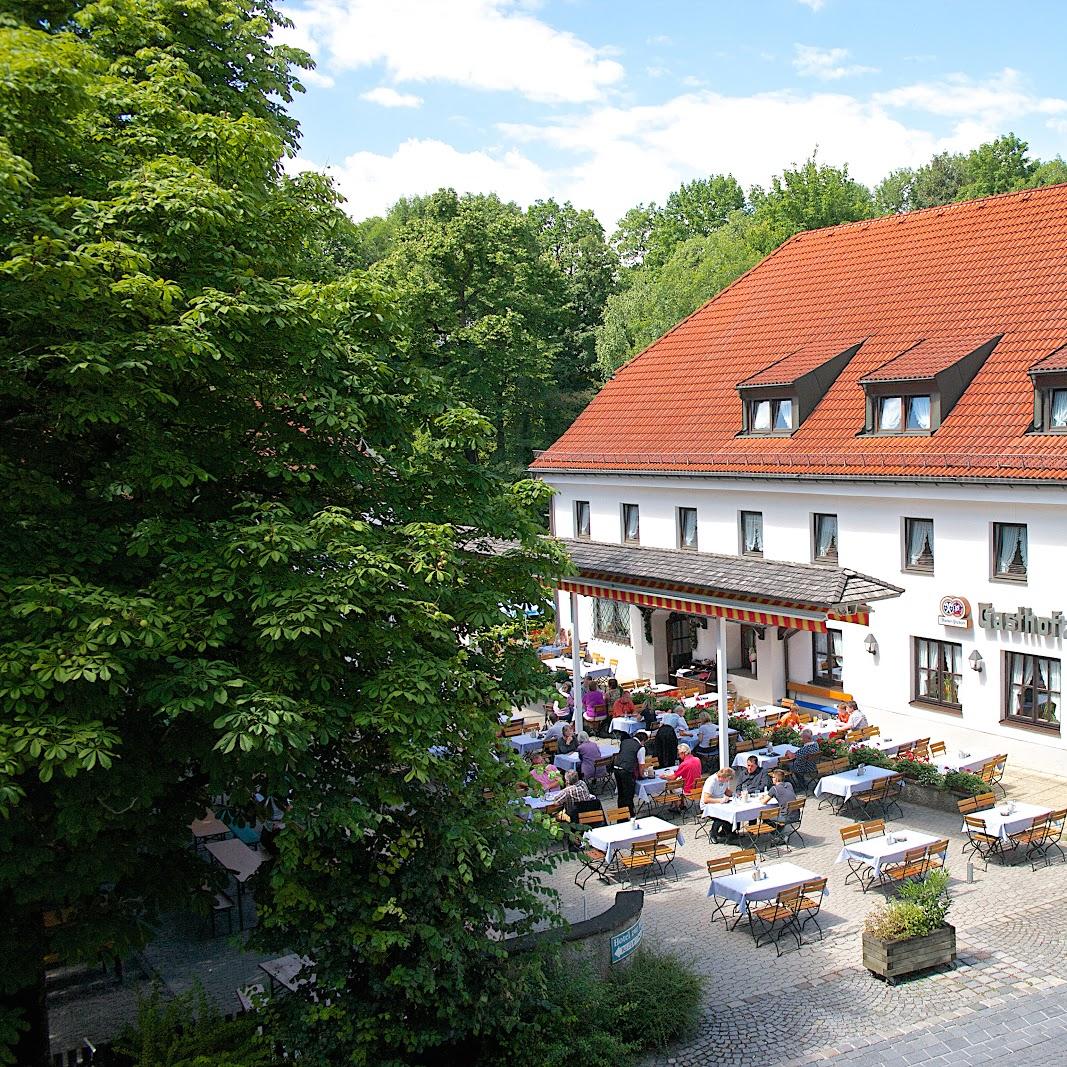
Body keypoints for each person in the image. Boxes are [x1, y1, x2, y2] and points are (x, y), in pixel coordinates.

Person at [613, 730, 648, 816]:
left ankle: (621, 815)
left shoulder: (625, 742)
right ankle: (630, 815)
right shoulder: (640, 747)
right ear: (643, 741)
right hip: (626, 770)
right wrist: (642, 775)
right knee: (628, 794)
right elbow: (641, 764)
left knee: (621, 794)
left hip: (616, 768)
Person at [700, 767, 736, 843]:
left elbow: (726, 791)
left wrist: (735, 794)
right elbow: (706, 799)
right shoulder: (711, 781)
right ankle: (713, 833)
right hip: (708, 806)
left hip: (720, 804)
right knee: (721, 816)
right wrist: (720, 800)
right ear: (723, 777)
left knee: (734, 811)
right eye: (727, 779)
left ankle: (728, 831)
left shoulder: (724, 781)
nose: (728, 781)